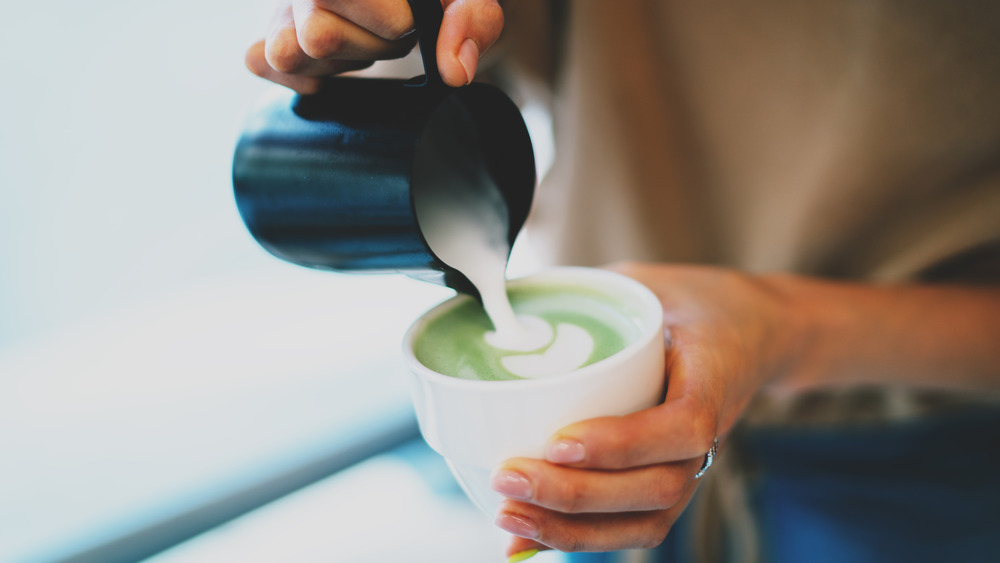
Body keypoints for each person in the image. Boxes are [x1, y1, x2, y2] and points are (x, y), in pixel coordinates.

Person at [245, 1, 1000, 561]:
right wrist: (404, 29)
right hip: (601, 441)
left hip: (920, 469)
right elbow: (490, 47)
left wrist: (783, 326)